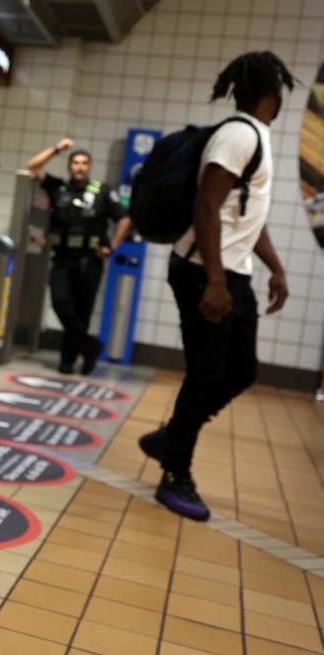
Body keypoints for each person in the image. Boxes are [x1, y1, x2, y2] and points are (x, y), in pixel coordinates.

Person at [140, 51, 294, 521]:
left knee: (240, 371)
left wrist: (276, 268)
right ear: (273, 92)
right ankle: (175, 471)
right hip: (203, 272)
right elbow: (206, 208)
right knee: (207, 373)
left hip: (233, 271)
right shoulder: (238, 136)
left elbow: (247, 216)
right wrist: (214, 281)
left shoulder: (257, 138)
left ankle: (171, 437)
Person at [26, 141, 131, 374]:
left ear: (90, 166)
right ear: (69, 166)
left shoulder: (103, 191)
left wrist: (112, 246)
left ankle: (68, 361)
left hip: (90, 261)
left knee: (81, 312)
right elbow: (33, 166)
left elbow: (124, 219)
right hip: (62, 259)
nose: (80, 167)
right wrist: (56, 149)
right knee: (60, 304)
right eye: (75, 162)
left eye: (84, 163)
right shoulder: (59, 188)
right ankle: (90, 346)